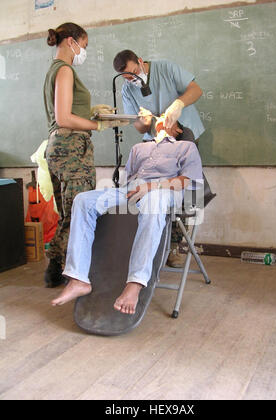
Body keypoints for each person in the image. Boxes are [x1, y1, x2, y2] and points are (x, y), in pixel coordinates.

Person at [51, 116, 203, 313]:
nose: (162, 116)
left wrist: (151, 186)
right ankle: (78, 278)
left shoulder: (185, 147)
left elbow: (185, 180)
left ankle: (135, 283)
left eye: (168, 116)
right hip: (133, 189)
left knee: (153, 201)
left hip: (165, 190)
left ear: (178, 130)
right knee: (83, 200)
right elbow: (127, 181)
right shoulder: (138, 148)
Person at [43, 22, 127, 288]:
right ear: (71, 41)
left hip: (58, 147)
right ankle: (66, 270)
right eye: (84, 45)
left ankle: (58, 269)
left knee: (71, 210)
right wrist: (98, 125)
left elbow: (68, 111)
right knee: (80, 210)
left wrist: (92, 112)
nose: (84, 52)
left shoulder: (54, 70)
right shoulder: (65, 70)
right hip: (70, 149)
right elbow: (64, 117)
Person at [113, 49, 205, 268]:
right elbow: (138, 127)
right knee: (147, 193)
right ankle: (149, 244)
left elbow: (196, 90)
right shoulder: (128, 90)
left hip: (182, 138)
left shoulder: (165, 68)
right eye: (128, 77)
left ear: (141, 62)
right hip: (152, 145)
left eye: (135, 72)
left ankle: (172, 246)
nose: (133, 79)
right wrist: (145, 123)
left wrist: (178, 104)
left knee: (177, 193)